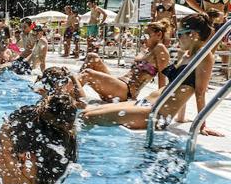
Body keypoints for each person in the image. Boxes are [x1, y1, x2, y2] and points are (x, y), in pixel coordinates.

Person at [82, 13, 224, 136]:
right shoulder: (185, 55)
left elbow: (200, 93)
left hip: (156, 114)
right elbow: (178, 86)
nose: (177, 38)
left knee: (89, 118)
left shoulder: (205, 57)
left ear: (193, 34)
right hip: (145, 103)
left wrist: (201, 125)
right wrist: (181, 118)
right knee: (85, 113)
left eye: (180, 34)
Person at [75, 20, 170, 102]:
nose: (143, 38)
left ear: (159, 34)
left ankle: (71, 97)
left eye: (146, 35)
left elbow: (162, 81)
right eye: (142, 35)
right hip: (119, 85)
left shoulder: (160, 49)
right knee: (92, 57)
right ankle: (71, 91)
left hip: (126, 92)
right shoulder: (146, 50)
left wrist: (158, 104)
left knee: (88, 73)